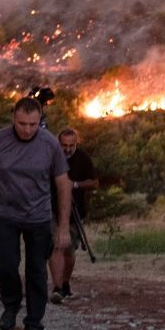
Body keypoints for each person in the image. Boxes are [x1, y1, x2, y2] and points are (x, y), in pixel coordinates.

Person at [0, 97, 72, 330]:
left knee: (36, 269)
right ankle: (11, 305)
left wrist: (63, 226)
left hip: (38, 217)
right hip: (6, 215)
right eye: (22, 123)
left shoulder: (50, 144)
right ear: (13, 117)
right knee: (4, 263)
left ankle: (34, 321)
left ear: (40, 121)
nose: (27, 130)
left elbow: (63, 184)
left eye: (33, 124)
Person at [49, 127, 98, 304]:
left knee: (69, 250)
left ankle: (65, 282)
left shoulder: (83, 157)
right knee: (56, 246)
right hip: (53, 209)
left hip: (74, 211)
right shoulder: (51, 156)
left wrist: (74, 185)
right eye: (64, 145)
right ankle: (56, 287)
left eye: (72, 145)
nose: (67, 149)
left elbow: (94, 182)